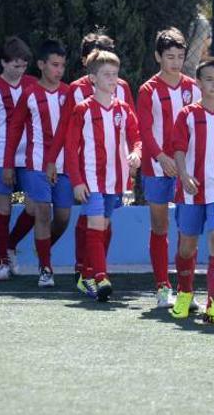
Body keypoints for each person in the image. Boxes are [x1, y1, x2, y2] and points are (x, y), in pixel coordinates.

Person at [64, 49, 141, 301]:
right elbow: (71, 149)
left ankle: (88, 274)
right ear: (93, 79)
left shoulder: (123, 108)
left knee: (105, 226)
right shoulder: (82, 109)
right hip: (91, 179)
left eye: (115, 75)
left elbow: (135, 136)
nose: (113, 79)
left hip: (115, 180)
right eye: (106, 74)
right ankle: (100, 276)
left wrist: (136, 153)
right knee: (97, 224)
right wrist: (76, 181)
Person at [169, 56, 214, 324]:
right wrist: (184, 175)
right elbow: (178, 149)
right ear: (198, 83)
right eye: (209, 79)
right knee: (187, 247)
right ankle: (185, 293)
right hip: (191, 190)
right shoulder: (187, 115)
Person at [136, 27, 201, 308]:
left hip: (187, 169)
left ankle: (186, 290)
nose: (175, 62)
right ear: (157, 57)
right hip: (157, 167)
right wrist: (161, 156)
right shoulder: (148, 89)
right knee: (160, 226)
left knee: (188, 229)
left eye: (180, 56)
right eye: (170, 56)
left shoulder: (193, 87)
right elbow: (144, 129)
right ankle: (163, 287)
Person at [3, 40, 72, 288]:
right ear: (41, 65)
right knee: (42, 211)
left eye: (63, 65)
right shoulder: (29, 94)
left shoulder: (69, 93)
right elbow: (14, 129)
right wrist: (9, 163)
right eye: (54, 65)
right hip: (36, 164)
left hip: (65, 166)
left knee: (63, 217)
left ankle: (38, 250)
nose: (59, 70)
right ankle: (46, 268)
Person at [0, 36, 37, 280]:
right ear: (3, 63)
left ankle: (10, 245)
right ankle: (2, 261)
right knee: (1, 208)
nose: (20, 70)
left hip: (30, 157)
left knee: (34, 207)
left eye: (24, 65)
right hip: (1, 155)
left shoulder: (33, 84)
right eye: (15, 65)